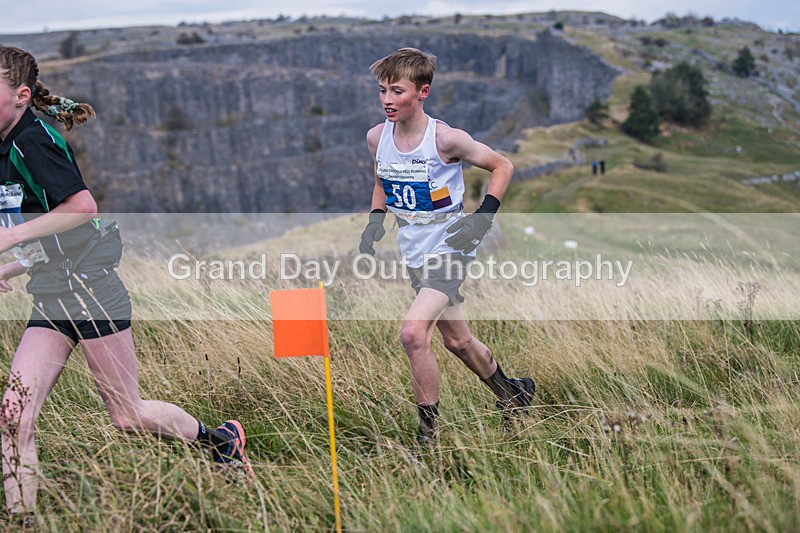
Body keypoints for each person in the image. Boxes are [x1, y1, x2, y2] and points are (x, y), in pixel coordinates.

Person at [0, 47, 252, 523]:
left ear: (21, 96)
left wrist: (9, 239)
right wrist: (12, 266)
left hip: (91, 289)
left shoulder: (33, 142)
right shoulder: (2, 148)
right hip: (53, 294)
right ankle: (21, 521)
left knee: (127, 415)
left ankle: (221, 441)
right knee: (12, 419)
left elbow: (81, 210)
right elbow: (51, 231)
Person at [359, 48, 535, 443]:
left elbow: (502, 166)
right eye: (382, 91)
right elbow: (382, 180)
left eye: (397, 91)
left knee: (413, 334)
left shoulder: (446, 138)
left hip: (452, 245)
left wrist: (481, 220)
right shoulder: (376, 137)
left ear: (423, 92)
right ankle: (513, 393)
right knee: (457, 340)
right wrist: (375, 221)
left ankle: (428, 437)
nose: (387, 100)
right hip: (414, 250)